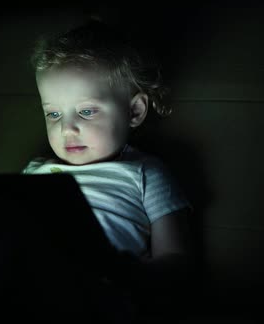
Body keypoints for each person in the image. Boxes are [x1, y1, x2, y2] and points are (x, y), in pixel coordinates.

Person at [21, 18, 196, 320]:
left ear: (134, 111)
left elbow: (176, 259)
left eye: (86, 111)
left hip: (99, 291)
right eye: (53, 113)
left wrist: (133, 274)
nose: (67, 129)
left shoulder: (144, 173)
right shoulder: (36, 170)